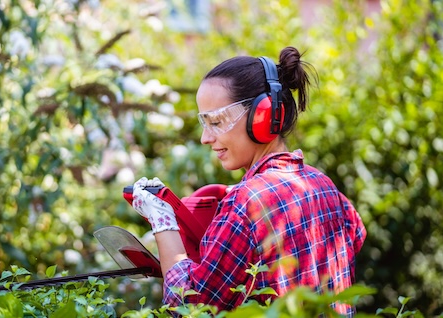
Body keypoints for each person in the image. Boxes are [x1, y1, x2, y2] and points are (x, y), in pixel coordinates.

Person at [131, 46, 366, 316]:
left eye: (217, 122)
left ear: (263, 115)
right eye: (203, 123)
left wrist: (163, 222)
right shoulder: (321, 183)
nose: (205, 138)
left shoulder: (245, 203)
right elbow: (356, 235)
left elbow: (189, 307)